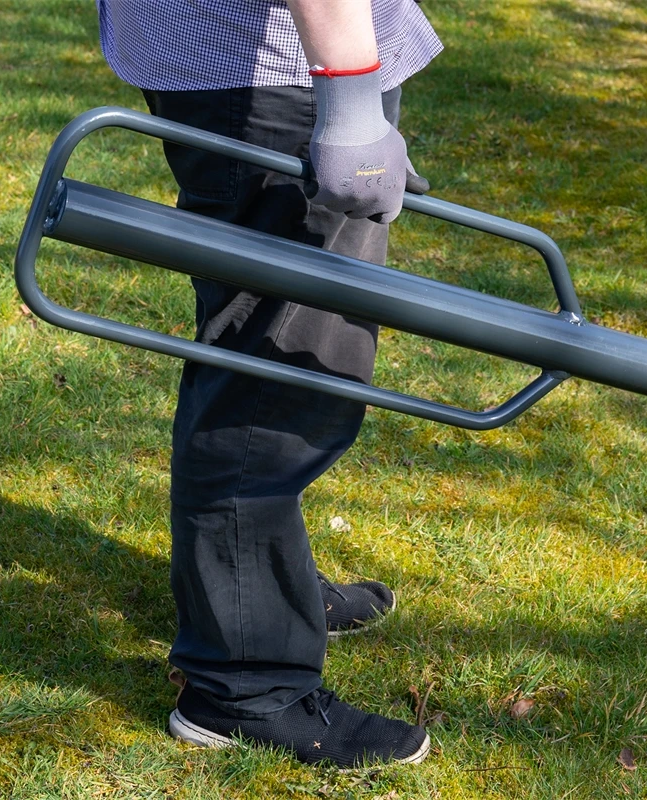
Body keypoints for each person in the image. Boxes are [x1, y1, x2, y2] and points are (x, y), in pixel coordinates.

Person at [96, 0, 443, 769]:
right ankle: (244, 687)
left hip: (264, 55)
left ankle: (261, 591)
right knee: (273, 380)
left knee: (258, 345)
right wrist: (351, 104)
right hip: (286, 67)